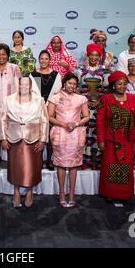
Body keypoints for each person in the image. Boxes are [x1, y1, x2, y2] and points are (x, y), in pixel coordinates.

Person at [0, 76, 48, 208]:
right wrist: (3, 138)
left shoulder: (39, 100)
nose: (24, 87)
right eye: (21, 84)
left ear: (31, 86)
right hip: (14, 138)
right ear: (18, 85)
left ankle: (29, 191)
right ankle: (16, 191)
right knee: (15, 167)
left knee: (32, 167)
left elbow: (44, 120)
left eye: (27, 85)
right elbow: (3, 119)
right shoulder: (9, 100)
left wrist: (43, 139)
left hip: (33, 138)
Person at [96, 71, 135, 202]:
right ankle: (109, 193)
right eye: (119, 84)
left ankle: (123, 194)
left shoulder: (133, 99)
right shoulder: (106, 99)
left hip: (127, 140)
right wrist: (100, 140)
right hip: (110, 140)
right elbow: (100, 121)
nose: (122, 86)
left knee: (125, 166)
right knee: (110, 166)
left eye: (124, 84)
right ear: (113, 85)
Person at [47, 73, 89, 207]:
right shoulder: (55, 97)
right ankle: (61, 193)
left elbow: (86, 116)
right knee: (60, 164)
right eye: (70, 83)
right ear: (65, 83)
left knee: (74, 164)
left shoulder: (81, 98)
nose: (72, 86)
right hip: (60, 133)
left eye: (75, 84)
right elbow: (49, 116)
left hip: (75, 134)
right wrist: (63, 124)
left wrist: (76, 124)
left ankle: (71, 194)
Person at [0, 43, 21, 168]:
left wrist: (18, 105)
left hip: (11, 106)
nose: (1, 56)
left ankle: (13, 157)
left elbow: (19, 88)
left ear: (8, 55)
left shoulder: (14, 68)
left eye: (4, 54)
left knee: (12, 132)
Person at [30, 50, 62, 170]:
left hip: (51, 109)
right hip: (36, 109)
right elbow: (32, 92)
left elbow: (57, 93)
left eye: (46, 59)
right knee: (38, 135)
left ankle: (49, 160)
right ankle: (38, 160)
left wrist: (49, 106)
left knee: (49, 135)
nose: (44, 61)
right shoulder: (34, 75)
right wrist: (41, 104)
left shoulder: (55, 75)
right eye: (41, 59)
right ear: (39, 60)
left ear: (50, 60)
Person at [78, 44, 108, 170]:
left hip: (99, 107)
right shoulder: (80, 70)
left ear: (100, 57)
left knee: (97, 133)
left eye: (97, 55)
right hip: (84, 107)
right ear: (88, 56)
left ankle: (96, 161)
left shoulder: (104, 70)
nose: (94, 57)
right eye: (92, 55)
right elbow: (77, 89)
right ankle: (84, 161)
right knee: (84, 134)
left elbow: (106, 90)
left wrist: (99, 102)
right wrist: (85, 102)